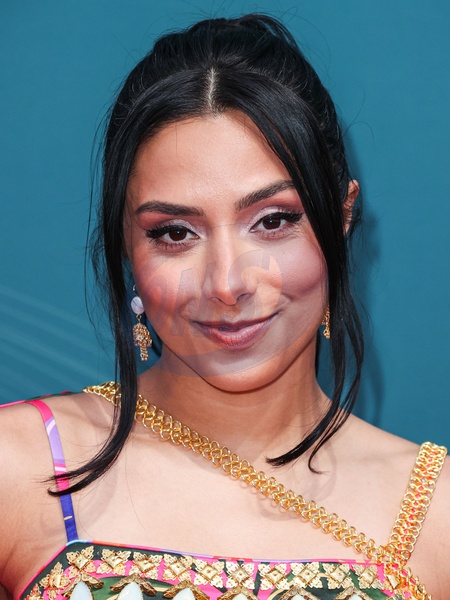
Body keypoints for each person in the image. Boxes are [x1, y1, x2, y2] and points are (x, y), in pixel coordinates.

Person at [0, 14, 448, 600]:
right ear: (126, 246)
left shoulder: (435, 513)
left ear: (341, 217)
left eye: (274, 221)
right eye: (175, 233)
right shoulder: (19, 467)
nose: (227, 283)